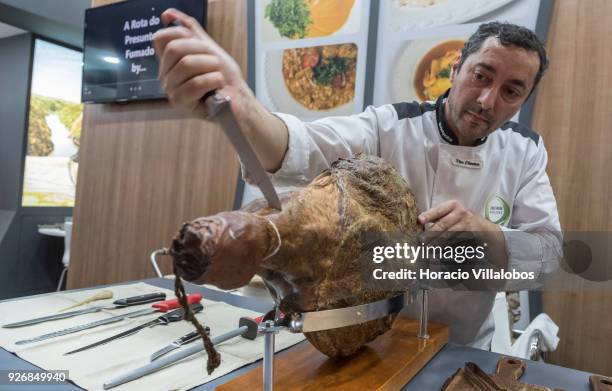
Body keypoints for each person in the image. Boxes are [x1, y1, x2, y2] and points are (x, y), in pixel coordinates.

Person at [153, 9, 562, 349]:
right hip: (373, 343)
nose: (488, 100)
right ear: (455, 69)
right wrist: (242, 104)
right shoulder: (392, 126)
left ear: (523, 99)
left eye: (511, 91)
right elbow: (301, 148)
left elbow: (548, 256)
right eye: (481, 76)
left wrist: (488, 233)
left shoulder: (525, 151)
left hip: (466, 347)